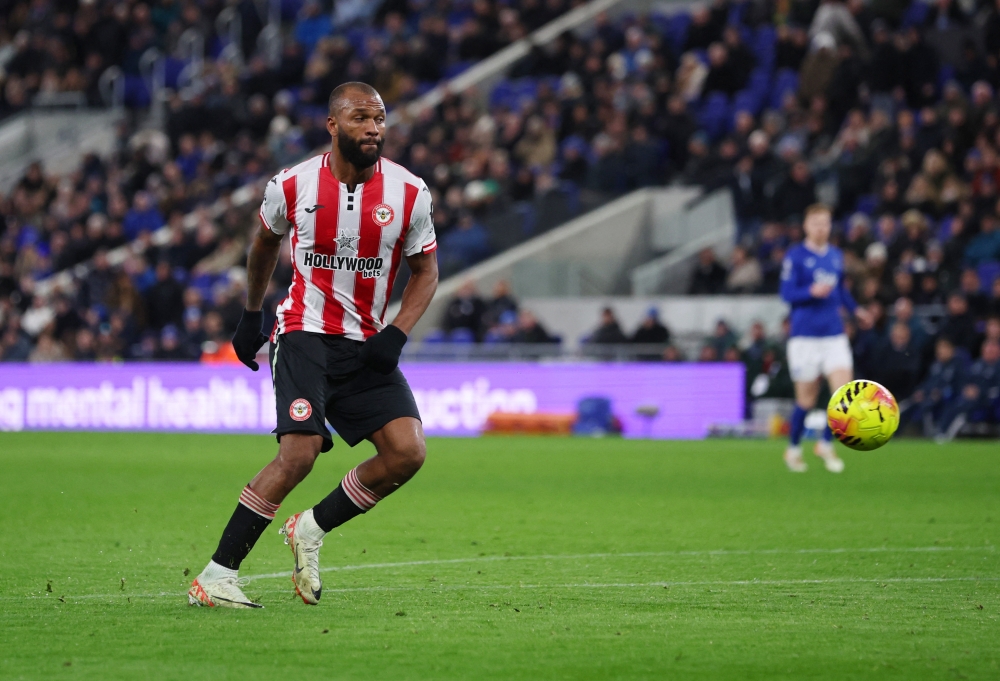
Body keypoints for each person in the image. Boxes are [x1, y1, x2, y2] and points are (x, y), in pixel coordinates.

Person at [188, 83, 439, 609]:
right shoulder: (292, 184)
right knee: (298, 454)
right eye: (360, 118)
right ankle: (215, 575)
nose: (373, 128)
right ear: (332, 125)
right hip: (304, 333)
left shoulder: (410, 193)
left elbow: (426, 271)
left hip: (367, 344)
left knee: (406, 452)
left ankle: (310, 527)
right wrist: (251, 313)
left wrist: (396, 332)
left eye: (380, 118)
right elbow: (263, 244)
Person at [780, 204, 873, 473]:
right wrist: (810, 291)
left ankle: (825, 443)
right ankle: (794, 448)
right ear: (807, 226)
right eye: (817, 223)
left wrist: (857, 311)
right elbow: (787, 294)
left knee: (843, 392)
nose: (822, 228)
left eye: (826, 223)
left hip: (834, 334)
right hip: (804, 337)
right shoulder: (795, 256)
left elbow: (841, 292)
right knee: (806, 400)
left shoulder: (835, 255)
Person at [935, 339, 1000, 441]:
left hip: (988, 400)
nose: (988, 352)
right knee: (952, 406)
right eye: (986, 350)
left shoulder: (997, 367)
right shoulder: (978, 365)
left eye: (992, 350)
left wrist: (980, 392)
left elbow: (996, 389)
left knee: (963, 411)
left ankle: (947, 435)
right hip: (971, 398)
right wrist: (967, 389)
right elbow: (968, 381)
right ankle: (940, 432)